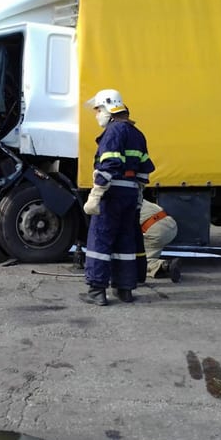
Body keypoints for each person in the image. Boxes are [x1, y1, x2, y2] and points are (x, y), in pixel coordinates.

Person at [81, 89, 154, 306]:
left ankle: (96, 291)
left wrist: (96, 194)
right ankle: (125, 289)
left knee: (100, 239)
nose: (96, 114)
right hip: (129, 196)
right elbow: (144, 171)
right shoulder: (137, 134)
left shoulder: (114, 132)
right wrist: (137, 196)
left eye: (98, 109)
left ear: (108, 107)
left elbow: (109, 165)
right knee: (125, 241)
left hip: (111, 194)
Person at [140, 198, 182, 282]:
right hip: (170, 224)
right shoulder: (135, 197)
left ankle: (165, 265)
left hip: (155, 230)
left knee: (138, 261)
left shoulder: (115, 205)